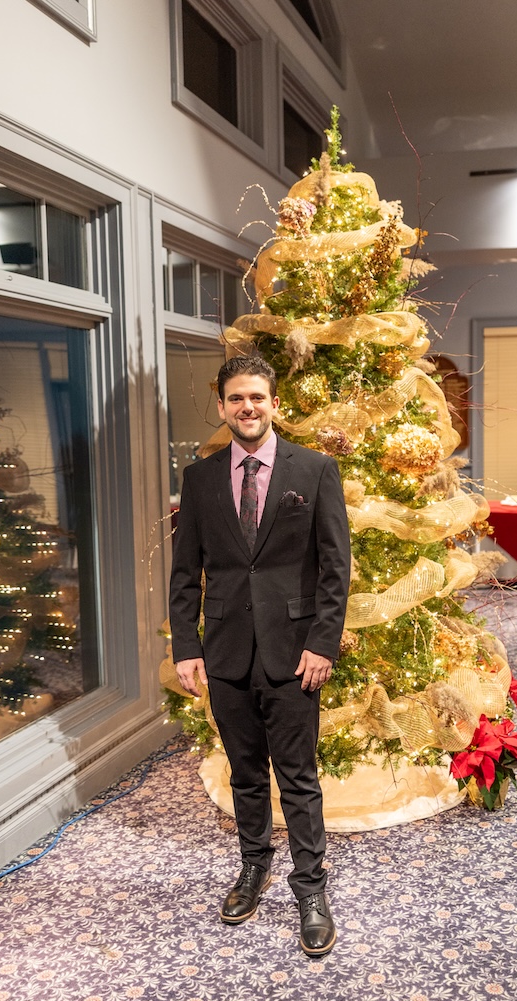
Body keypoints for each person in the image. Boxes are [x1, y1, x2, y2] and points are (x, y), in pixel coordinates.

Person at [169, 354, 351, 957]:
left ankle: (311, 889)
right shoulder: (199, 478)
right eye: (236, 398)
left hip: (294, 653)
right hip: (224, 652)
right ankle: (254, 867)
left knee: (297, 776)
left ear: (274, 403)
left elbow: (335, 568)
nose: (247, 407)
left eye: (257, 397)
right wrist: (186, 646)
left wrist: (322, 642)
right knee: (244, 772)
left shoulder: (315, 470)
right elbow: (185, 572)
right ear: (222, 406)